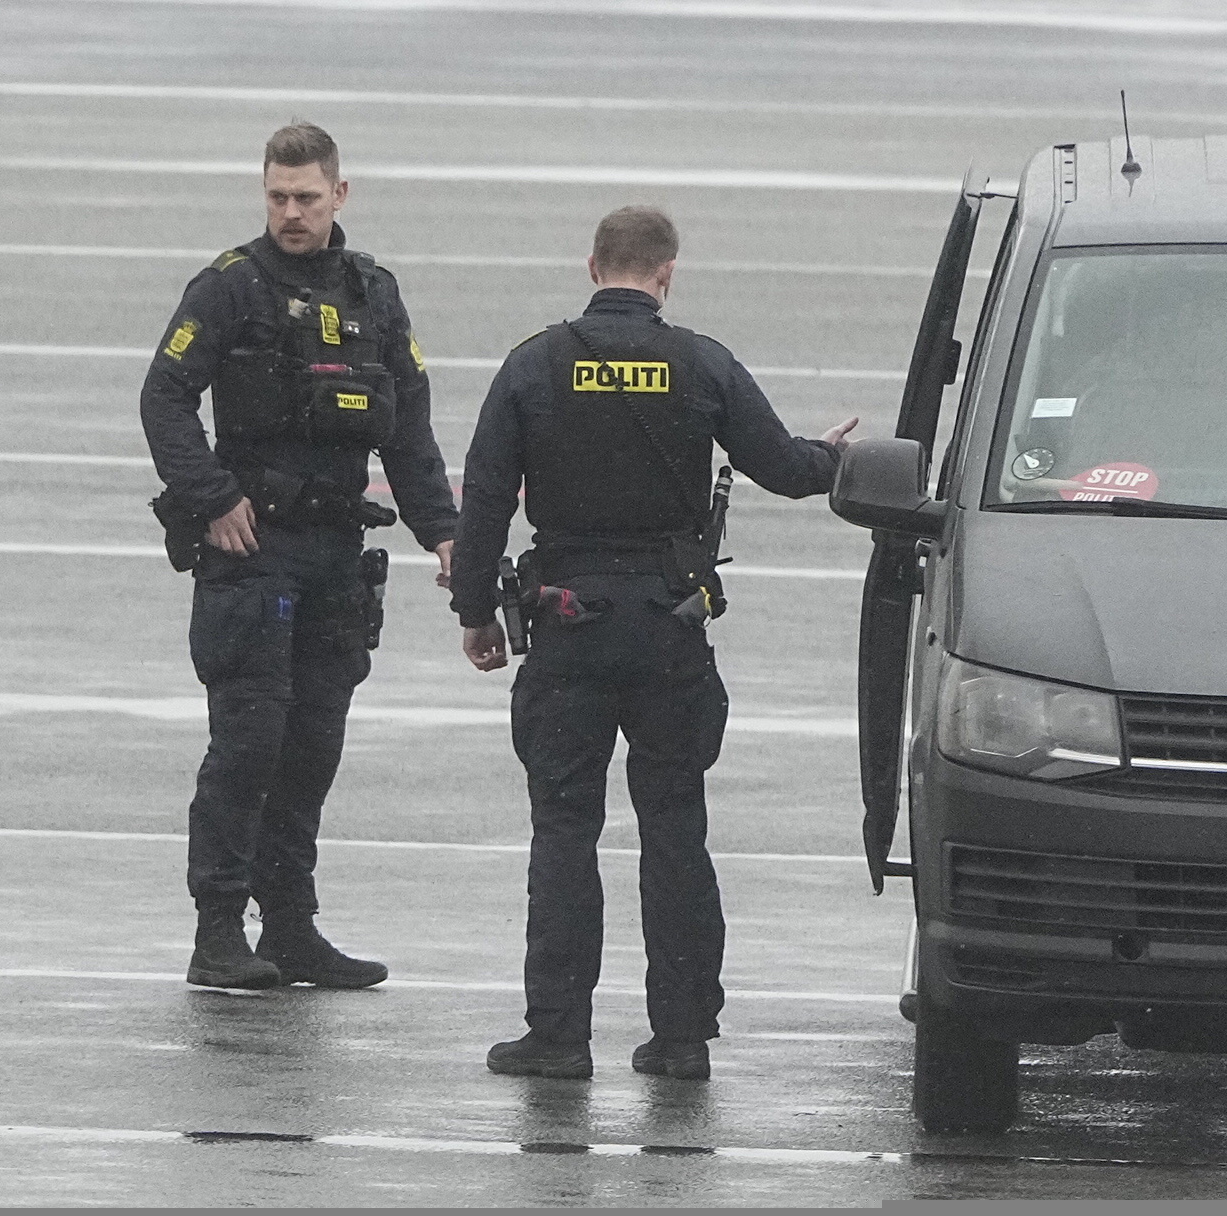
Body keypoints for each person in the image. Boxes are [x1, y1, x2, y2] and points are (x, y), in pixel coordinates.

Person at [450, 206, 858, 1079]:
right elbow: (784, 469)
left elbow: (484, 499)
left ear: (591, 264)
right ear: (667, 273)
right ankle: (681, 1039)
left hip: (566, 628)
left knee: (564, 832)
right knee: (675, 828)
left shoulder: (534, 364)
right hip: (670, 628)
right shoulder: (701, 362)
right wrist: (832, 458)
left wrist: (478, 613)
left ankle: (557, 1036)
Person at [141, 123, 459, 990]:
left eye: (306, 198)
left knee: (313, 744)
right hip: (253, 551)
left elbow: (411, 428)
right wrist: (212, 499)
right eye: (278, 197)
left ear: (340, 196)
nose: (290, 212)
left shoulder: (374, 295)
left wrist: (446, 533)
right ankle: (218, 932)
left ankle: (289, 927)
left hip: (335, 551)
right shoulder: (230, 288)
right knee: (248, 742)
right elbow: (165, 397)